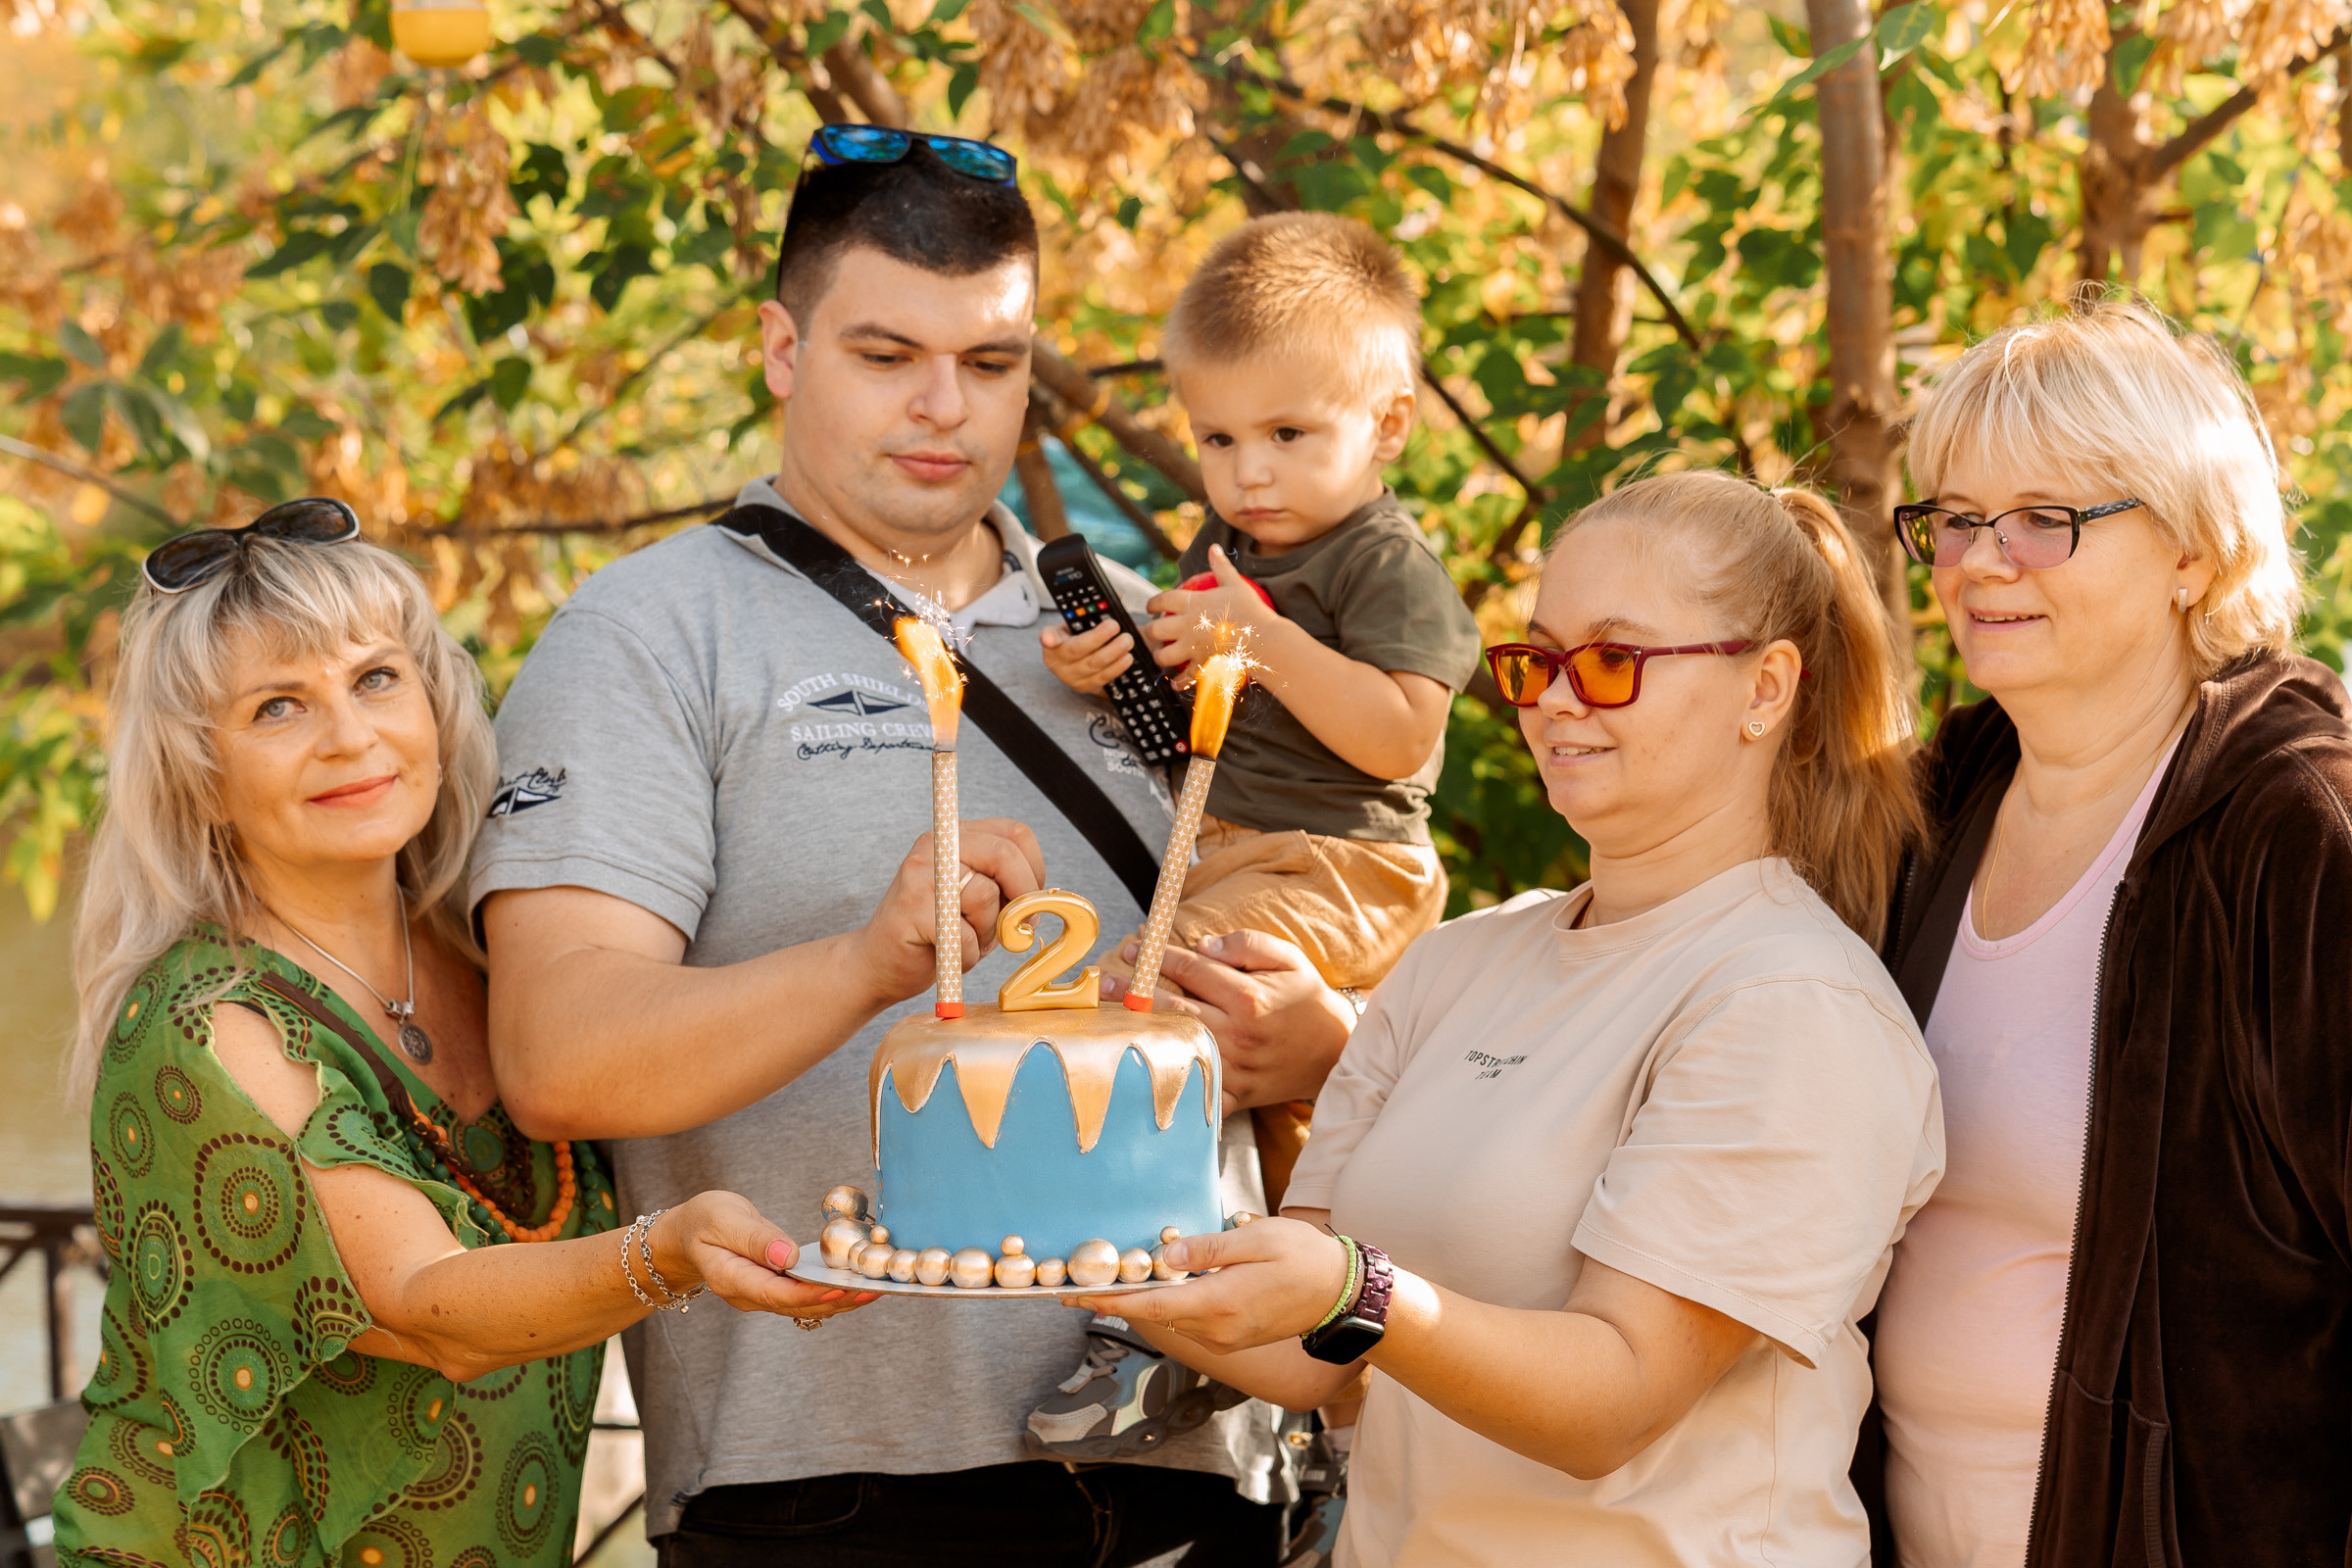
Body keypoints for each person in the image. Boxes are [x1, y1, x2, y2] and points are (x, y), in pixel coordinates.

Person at [471, 130, 1293, 1566]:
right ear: (782, 349)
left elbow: (1319, 936)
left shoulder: (1151, 640)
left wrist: (1313, 1041)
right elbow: (555, 1055)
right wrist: (868, 962)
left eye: (991, 365)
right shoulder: (646, 636)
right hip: (834, 1491)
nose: (943, 410)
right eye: (884, 354)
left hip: (1197, 1467)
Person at [1079, 468, 1947, 1566]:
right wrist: (1070, 1238)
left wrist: (1363, 1287)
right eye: (1536, 659)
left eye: (1614, 660)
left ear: (1767, 687)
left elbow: (1612, 1402)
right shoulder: (1457, 962)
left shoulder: (1793, 1005)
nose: (1555, 698)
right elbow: (1316, 1353)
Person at [50, 503, 866, 1568]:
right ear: (200, 772)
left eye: (376, 678)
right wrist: (669, 1253)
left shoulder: (494, 962)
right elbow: (435, 1310)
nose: (351, 735)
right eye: (278, 707)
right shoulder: (210, 1021)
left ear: (435, 699)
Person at [1864, 297, 2352, 1567]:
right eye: (1956, 519)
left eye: (2047, 518)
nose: (1982, 561)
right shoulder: (1932, 807)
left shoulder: (2297, 831)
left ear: (2194, 551)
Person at [1030, 212, 1482, 1478]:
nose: (1250, 474)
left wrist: (1264, 637)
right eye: (1219, 440)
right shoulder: (1226, 551)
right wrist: (1106, 665)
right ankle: (1238, 1299)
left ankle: (1245, 1328)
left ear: (1386, 426)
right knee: (1162, 1035)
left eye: (1289, 435)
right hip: (1227, 834)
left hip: (1339, 858)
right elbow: (1193, 721)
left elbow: (1401, 738)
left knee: (1192, 1026)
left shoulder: (1384, 561)